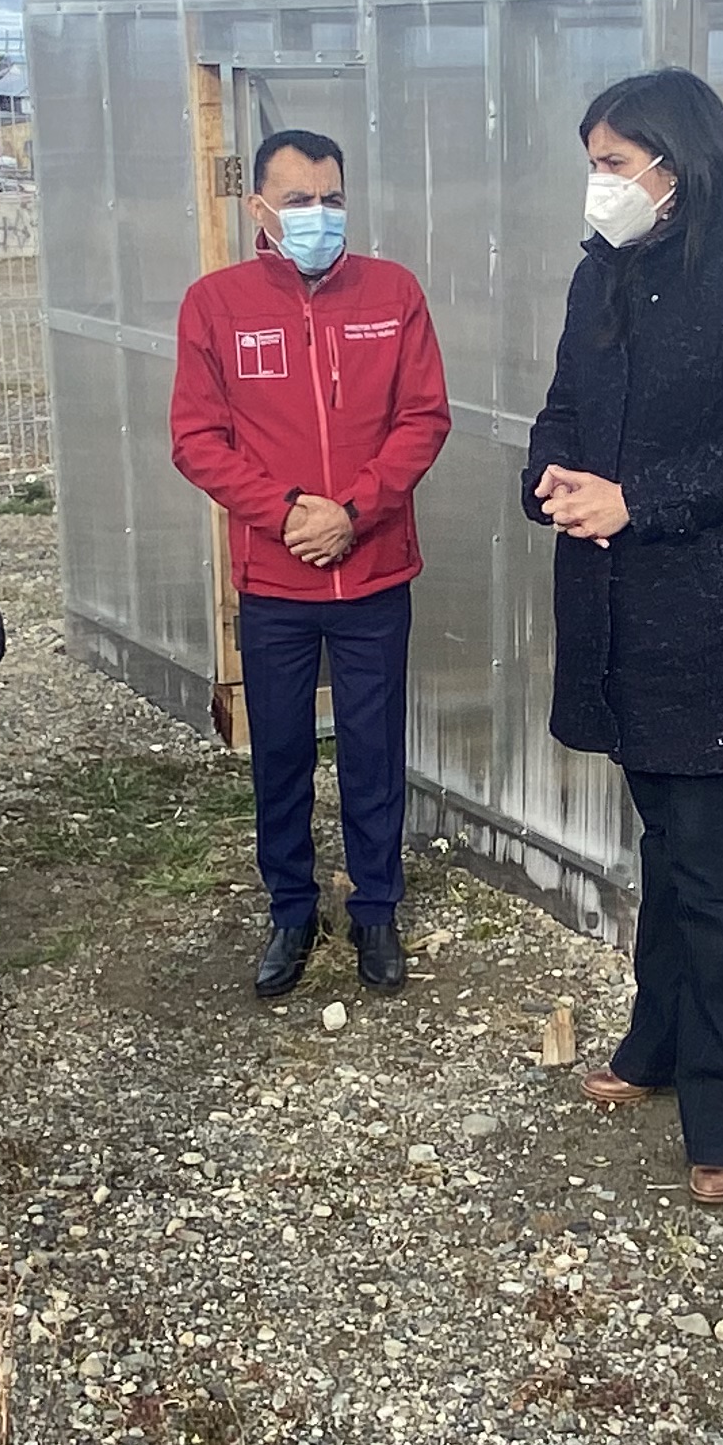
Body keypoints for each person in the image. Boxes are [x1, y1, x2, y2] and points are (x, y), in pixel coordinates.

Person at [524, 69, 723, 1204]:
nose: (598, 183)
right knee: (664, 833)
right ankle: (656, 1042)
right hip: (608, 601)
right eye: (592, 164)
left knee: (705, 860)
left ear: (675, 162)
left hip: (703, 610)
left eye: (613, 163)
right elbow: (565, 403)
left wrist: (635, 500)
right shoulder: (602, 271)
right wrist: (552, 478)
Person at [168, 129, 454, 1000]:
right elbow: (197, 439)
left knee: (374, 747)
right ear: (258, 208)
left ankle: (376, 907)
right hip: (276, 579)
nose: (318, 216)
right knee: (282, 752)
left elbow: (423, 418)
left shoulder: (393, 292)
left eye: (332, 199)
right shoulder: (215, 304)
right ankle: (291, 909)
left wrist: (354, 512)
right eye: (299, 201)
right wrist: (289, 512)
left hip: (373, 571)